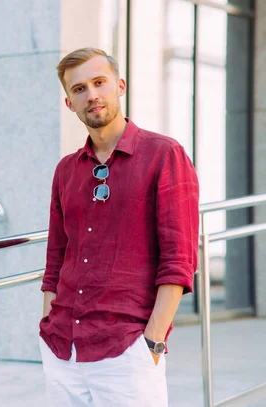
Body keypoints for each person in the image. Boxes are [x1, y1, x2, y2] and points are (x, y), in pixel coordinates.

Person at [38, 47, 200, 407]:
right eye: (79, 89)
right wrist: (48, 322)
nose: (91, 94)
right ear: (69, 103)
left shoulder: (164, 155)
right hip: (62, 349)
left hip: (127, 351)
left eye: (99, 82)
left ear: (120, 86)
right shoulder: (66, 170)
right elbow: (56, 257)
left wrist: (153, 342)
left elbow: (180, 259)